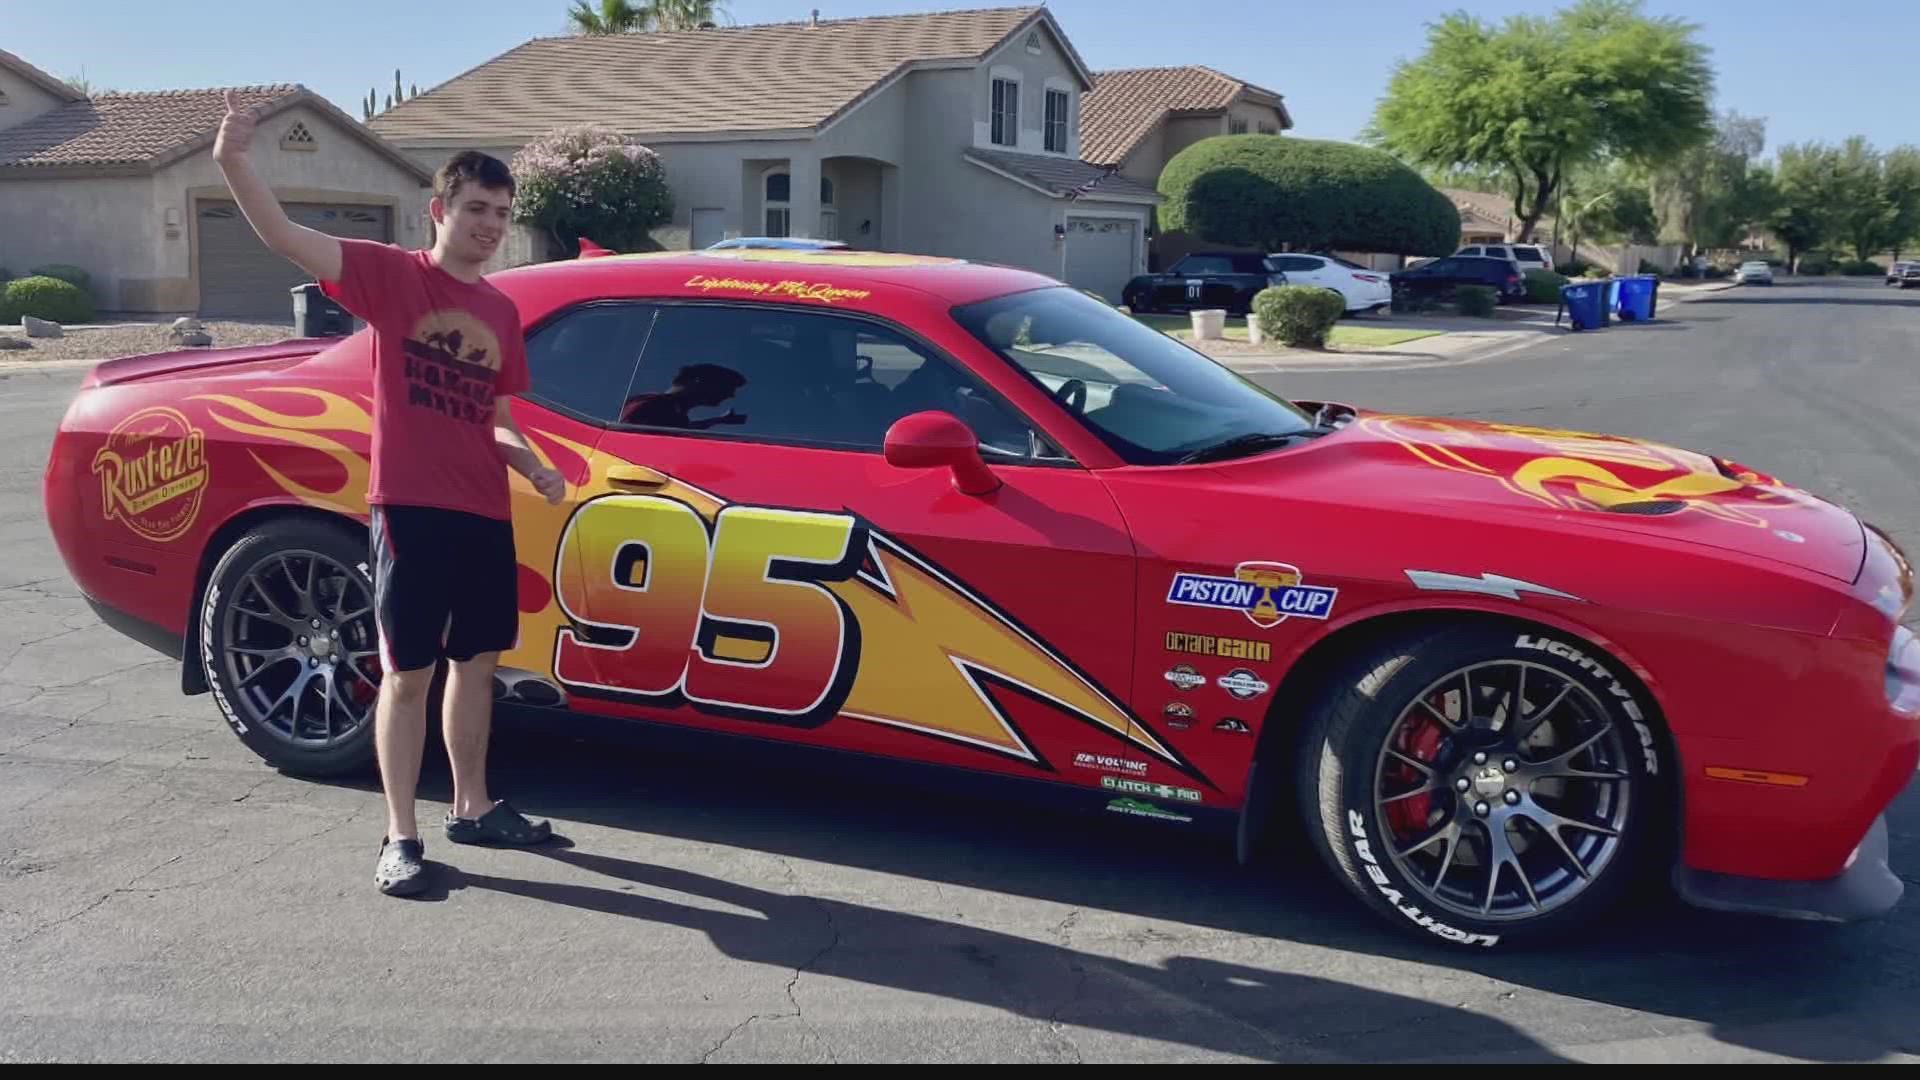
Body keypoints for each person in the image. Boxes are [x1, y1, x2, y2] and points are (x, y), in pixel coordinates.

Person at [212, 91, 568, 896]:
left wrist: (532, 465)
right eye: (476, 207)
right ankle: (400, 834)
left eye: (501, 212)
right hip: (409, 507)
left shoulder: (502, 312)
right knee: (408, 672)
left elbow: (499, 419)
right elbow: (282, 236)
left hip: (483, 511)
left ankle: (474, 806)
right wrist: (235, 161)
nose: (488, 223)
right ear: (438, 209)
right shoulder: (387, 277)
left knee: (474, 665)